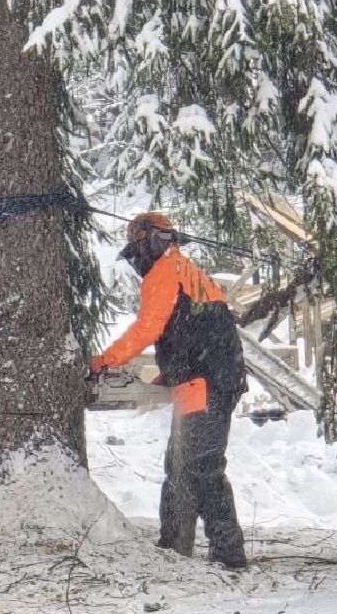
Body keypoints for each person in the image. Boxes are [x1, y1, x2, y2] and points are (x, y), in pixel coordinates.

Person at [90, 212, 248, 569]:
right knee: (181, 466)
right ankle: (175, 548)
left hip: (206, 382)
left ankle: (228, 555)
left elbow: (148, 328)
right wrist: (173, 371)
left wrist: (104, 360)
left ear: (150, 241)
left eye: (138, 250)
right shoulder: (183, 270)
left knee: (201, 466)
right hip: (204, 378)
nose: (137, 260)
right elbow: (193, 328)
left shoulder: (165, 272)